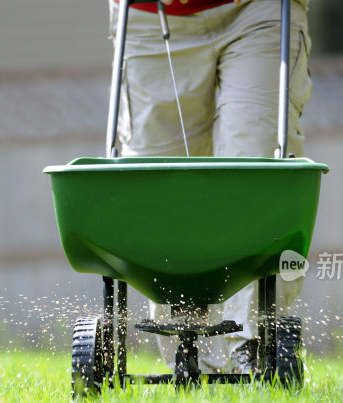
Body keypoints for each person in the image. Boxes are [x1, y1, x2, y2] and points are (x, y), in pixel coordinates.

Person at [109, 0, 312, 373]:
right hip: (151, 17)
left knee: (256, 164)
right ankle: (188, 351)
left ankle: (252, 346)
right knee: (162, 189)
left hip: (257, 12)